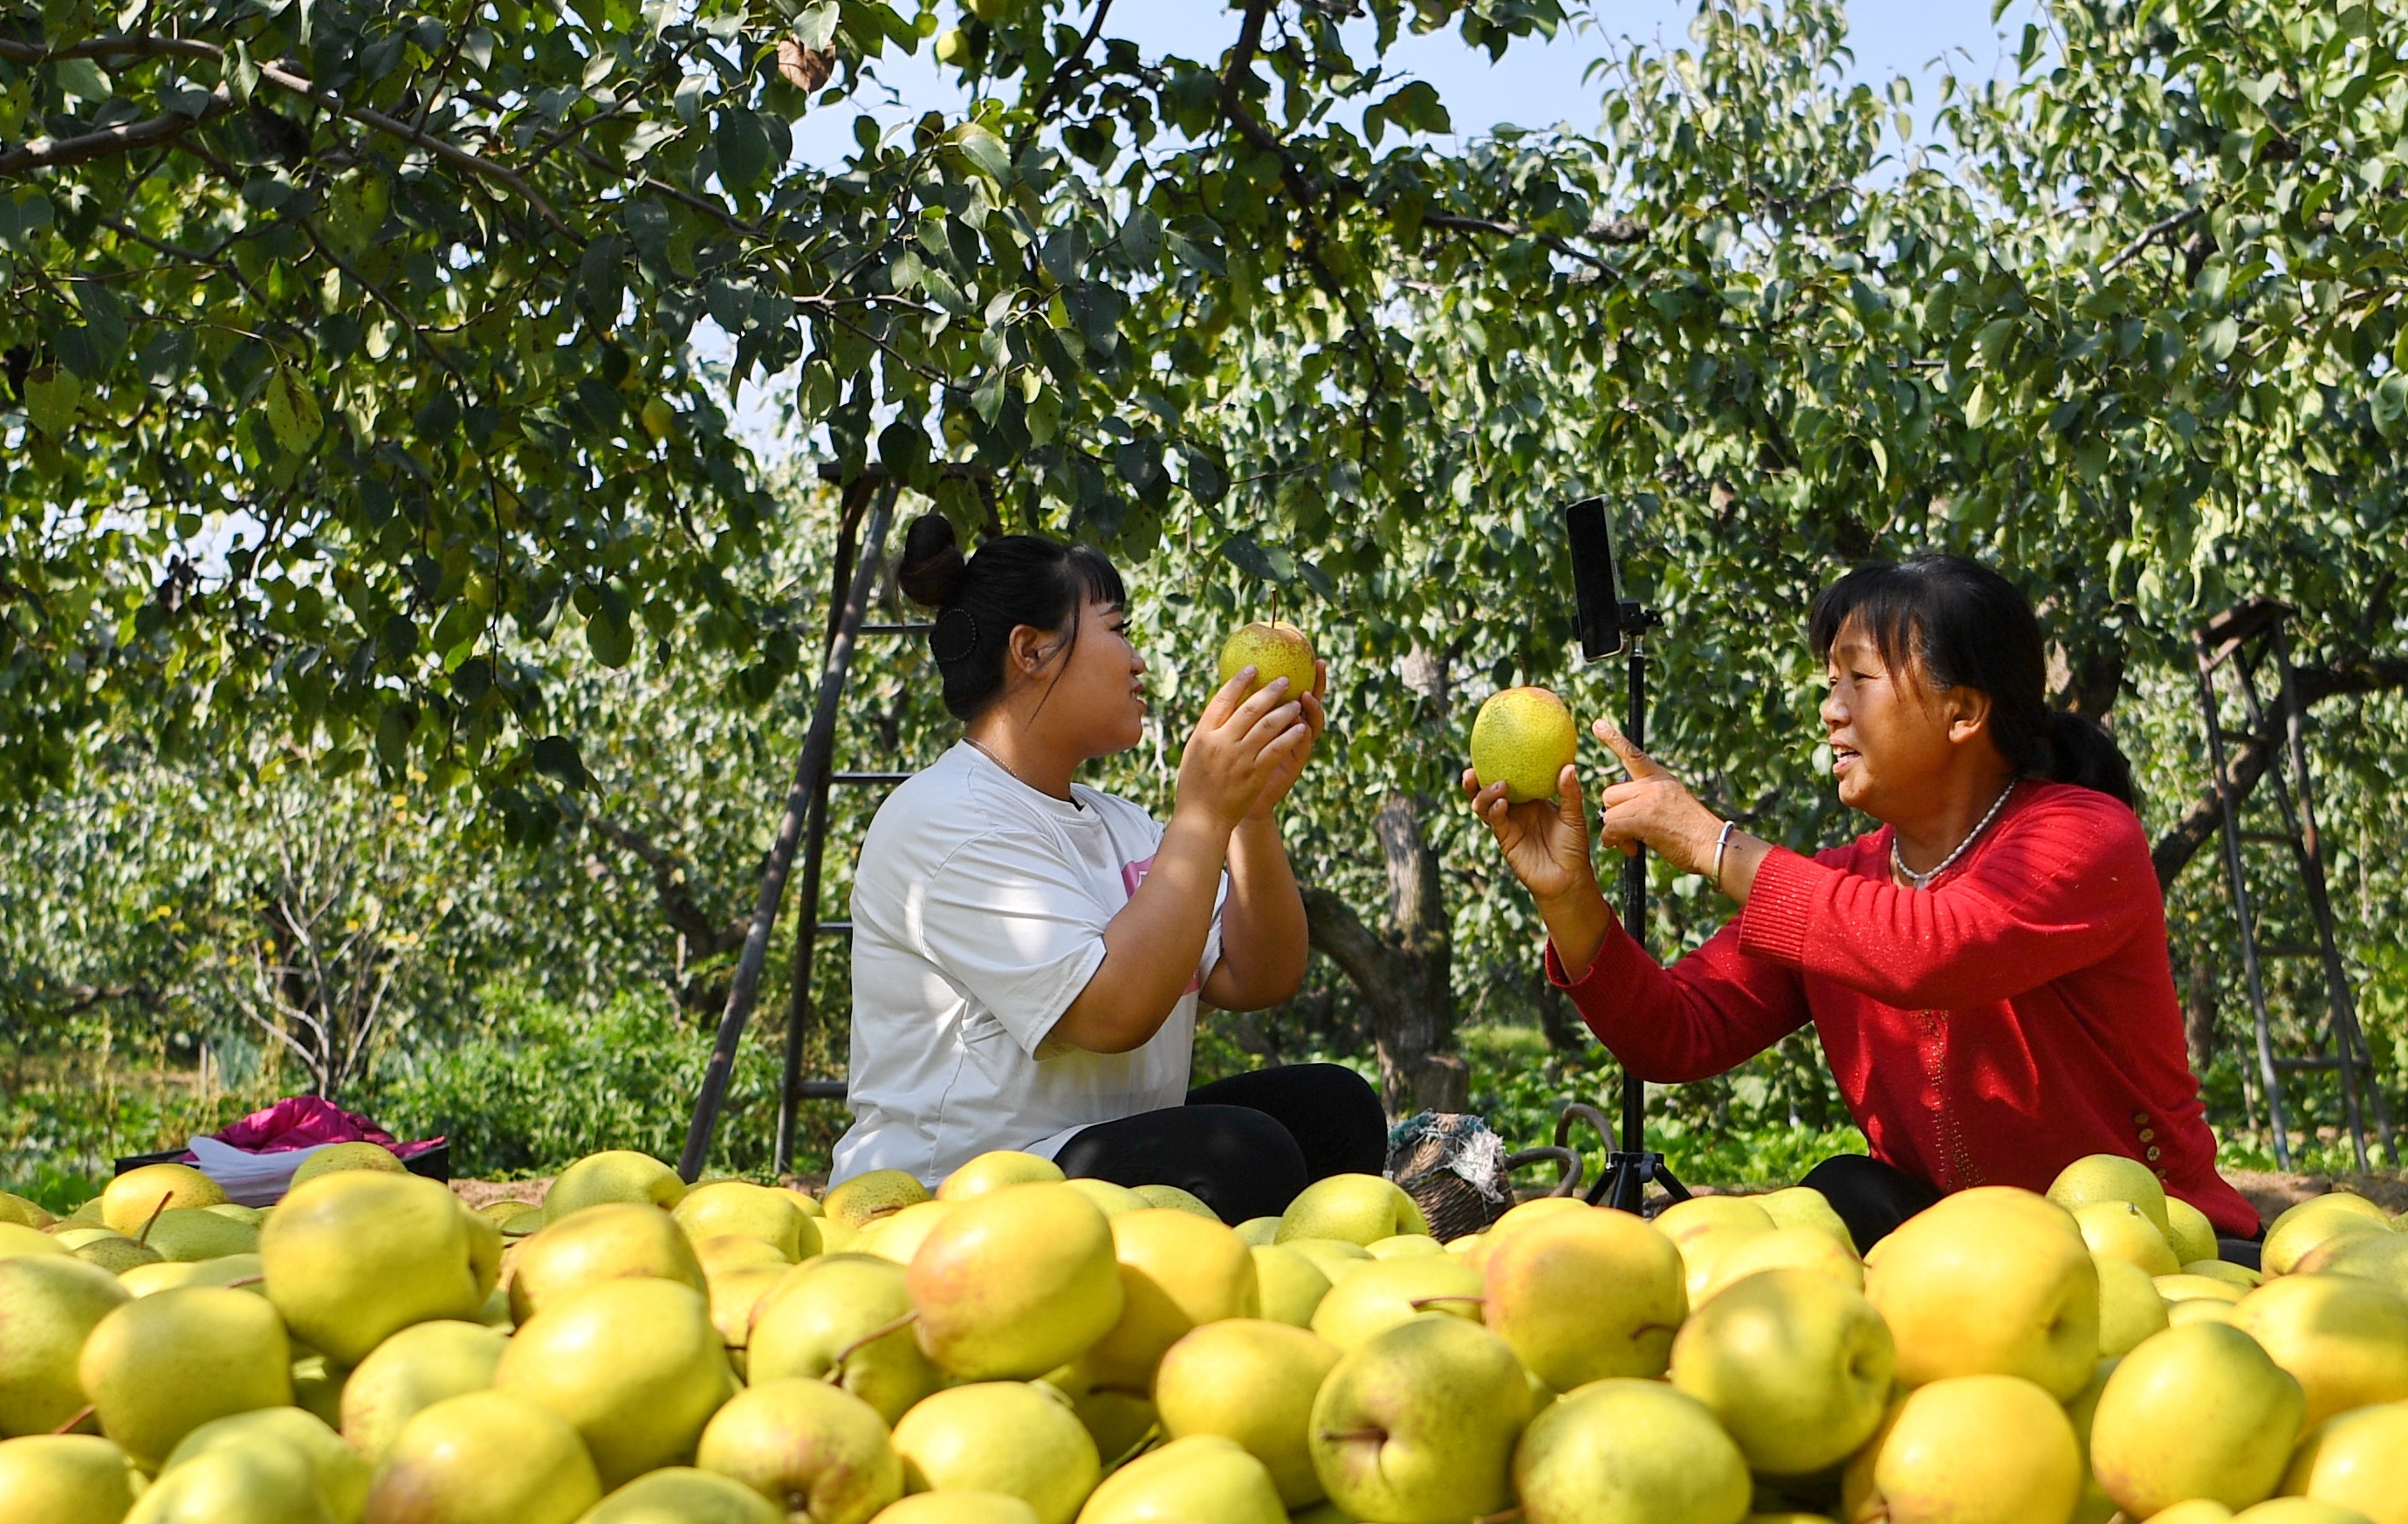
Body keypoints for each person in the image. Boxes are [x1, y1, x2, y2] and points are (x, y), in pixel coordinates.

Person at [1458, 552, 2260, 1255]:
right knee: (1845, 1192)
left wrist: (1714, 843)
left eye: (1859, 680)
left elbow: (1935, 947)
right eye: (1828, 681)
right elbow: (1676, 1033)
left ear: (1964, 712)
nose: (1831, 709)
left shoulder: (2084, 837)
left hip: (2154, 1248)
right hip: (1969, 1263)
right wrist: (1568, 899)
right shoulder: (1845, 889)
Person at [830, 515, 1391, 1222]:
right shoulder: (946, 819)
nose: (1137, 662)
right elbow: (1110, 1015)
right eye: (1118, 629)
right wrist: (1204, 815)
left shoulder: (1116, 823)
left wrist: (1251, 813)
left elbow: (1260, 975)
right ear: (1031, 650)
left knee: (1335, 1108)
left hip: (1081, 1158)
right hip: (957, 1192)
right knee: (1244, 1153)